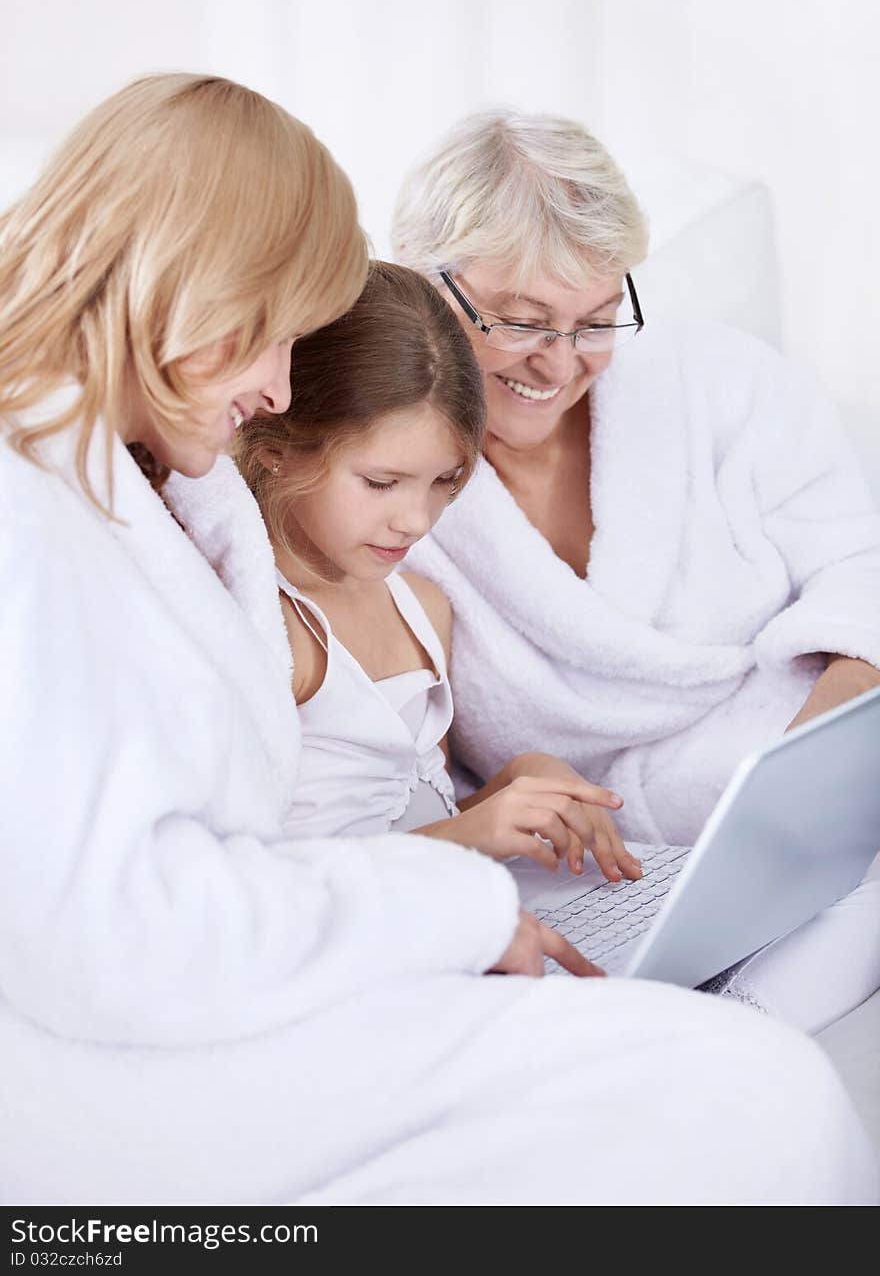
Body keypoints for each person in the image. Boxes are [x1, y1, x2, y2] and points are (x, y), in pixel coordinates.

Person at [0, 76, 876, 1206]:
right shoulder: (49, 516)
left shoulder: (135, 481)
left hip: (299, 948)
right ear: (191, 283)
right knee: (762, 1099)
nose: (275, 388)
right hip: (152, 1051)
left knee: (762, 1093)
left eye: (591, 318)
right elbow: (131, 929)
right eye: (271, 339)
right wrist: (449, 905)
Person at [393, 108, 880, 1034]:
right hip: (617, 871)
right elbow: (408, 759)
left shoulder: (725, 385)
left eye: (597, 320)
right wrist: (503, 789)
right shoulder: (386, 490)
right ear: (426, 285)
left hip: (818, 817)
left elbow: (862, 572)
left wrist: (809, 771)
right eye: (524, 322)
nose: (562, 362)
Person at [235, 259, 641, 889]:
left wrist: (519, 785)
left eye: (445, 482)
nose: (415, 520)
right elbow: (252, 883)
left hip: (446, 917)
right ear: (276, 452)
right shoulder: (265, 631)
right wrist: (469, 833)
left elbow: (414, 818)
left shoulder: (423, 608)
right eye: (380, 483)